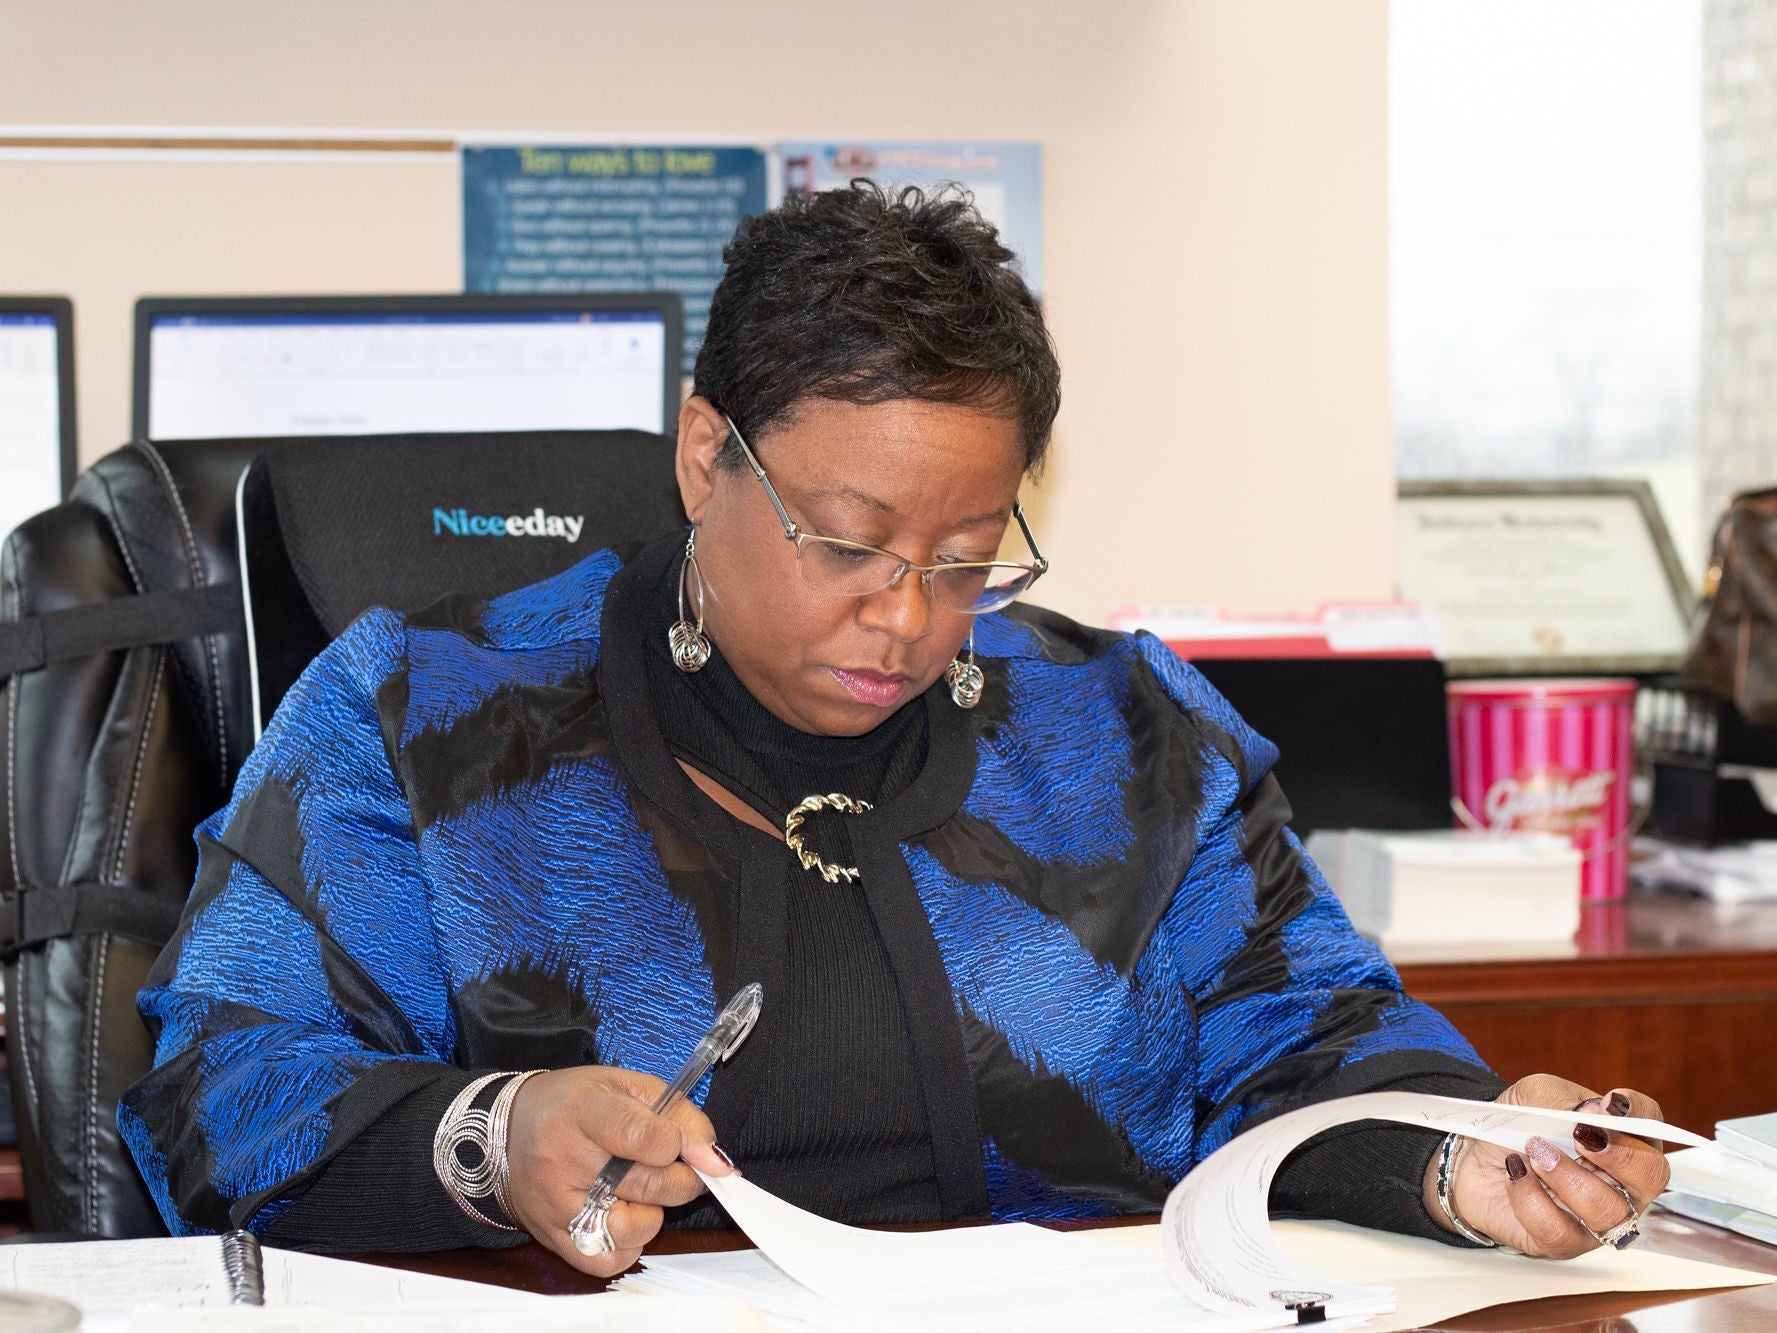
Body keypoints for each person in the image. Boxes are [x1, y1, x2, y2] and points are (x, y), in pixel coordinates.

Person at [120, 182, 1668, 1277]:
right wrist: (486, 1132)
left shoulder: (1126, 731)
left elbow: (1309, 1034)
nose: (907, 617)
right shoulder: (420, 715)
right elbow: (221, 1090)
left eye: (963, 556)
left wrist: (1462, 1149)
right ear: (703, 455)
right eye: (848, 542)